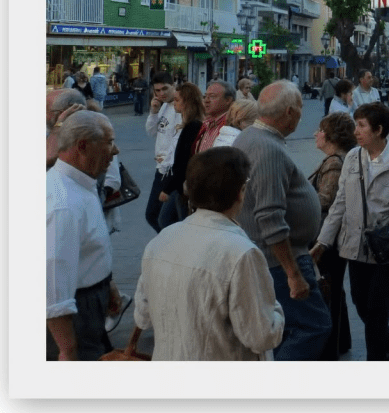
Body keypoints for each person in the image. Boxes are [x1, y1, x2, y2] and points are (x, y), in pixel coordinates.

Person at [133, 147, 286, 360]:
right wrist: (275, 308)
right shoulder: (241, 253)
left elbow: (143, 317)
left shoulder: (160, 241)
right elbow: (261, 336)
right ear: (241, 192)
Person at [311, 103, 389, 362]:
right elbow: (339, 204)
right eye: (356, 124)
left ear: (379, 130)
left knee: (378, 308)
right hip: (355, 246)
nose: (355, 131)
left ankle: (377, 359)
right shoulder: (351, 158)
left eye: (361, 125)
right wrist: (323, 241)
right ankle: (387, 338)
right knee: (361, 302)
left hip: (387, 249)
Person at [234, 80, 331, 361]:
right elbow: (270, 216)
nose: (303, 113)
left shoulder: (256, 138)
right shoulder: (267, 148)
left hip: (274, 257)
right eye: (300, 107)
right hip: (279, 260)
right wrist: (293, 274)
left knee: (286, 329)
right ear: (290, 112)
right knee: (314, 328)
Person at [46, 111, 122, 360]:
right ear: (82, 146)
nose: (116, 150)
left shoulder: (80, 184)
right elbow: (53, 282)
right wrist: (67, 348)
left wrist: (106, 282)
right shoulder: (63, 203)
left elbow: (86, 248)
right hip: (74, 313)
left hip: (88, 302)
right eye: (109, 142)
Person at [309, 112, 357, 359]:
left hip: (329, 236)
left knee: (329, 289)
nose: (316, 134)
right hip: (335, 235)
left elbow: (324, 200)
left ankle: (329, 347)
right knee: (335, 290)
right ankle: (341, 341)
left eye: (320, 130)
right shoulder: (336, 159)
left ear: (330, 136)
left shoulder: (335, 163)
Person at [159, 82, 205, 225]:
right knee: (164, 220)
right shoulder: (188, 124)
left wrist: (167, 188)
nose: (174, 103)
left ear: (188, 102)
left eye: (177, 100)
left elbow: (184, 161)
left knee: (172, 222)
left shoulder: (193, 126)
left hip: (183, 185)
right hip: (179, 184)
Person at [143, 72, 180, 233]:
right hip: (161, 168)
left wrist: (167, 159)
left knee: (156, 215)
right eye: (157, 91)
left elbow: (180, 138)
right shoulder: (163, 105)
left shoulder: (180, 107)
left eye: (165, 89)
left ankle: (170, 248)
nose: (161, 94)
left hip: (170, 170)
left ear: (174, 85)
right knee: (159, 216)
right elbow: (151, 131)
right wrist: (153, 112)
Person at [196, 80, 235, 154]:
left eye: (212, 96)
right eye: (205, 96)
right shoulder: (206, 124)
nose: (206, 100)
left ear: (228, 100)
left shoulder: (232, 125)